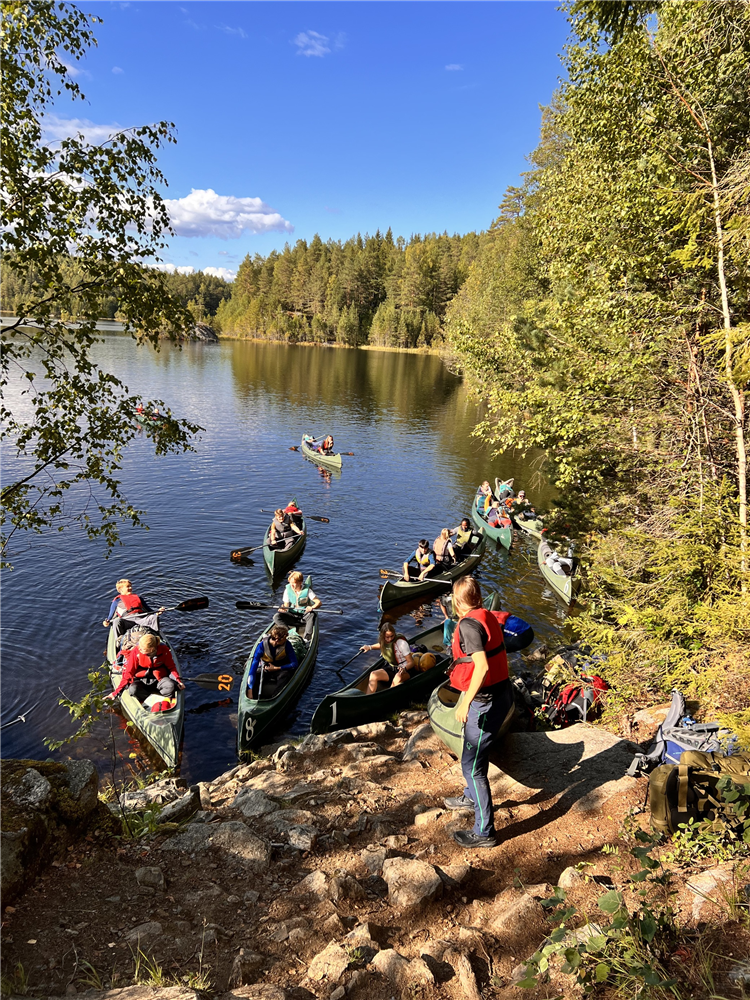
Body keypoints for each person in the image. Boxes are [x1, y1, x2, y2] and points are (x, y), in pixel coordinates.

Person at [443, 575, 515, 848]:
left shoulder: (469, 626)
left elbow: (482, 667)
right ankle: (470, 797)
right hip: (499, 694)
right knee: (474, 757)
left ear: (457, 601)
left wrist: (464, 702)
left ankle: (484, 832)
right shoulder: (485, 615)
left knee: (472, 766)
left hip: (486, 702)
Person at [105, 633, 184, 709]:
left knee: (171, 686)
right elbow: (129, 673)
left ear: (152, 649)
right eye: (139, 647)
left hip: (159, 679)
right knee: (133, 690)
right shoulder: (136, 651)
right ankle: (147, 699)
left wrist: (178, 680)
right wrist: (115, 693)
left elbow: (171, 667)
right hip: (142, 680)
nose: (139, 649)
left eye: (142, 649)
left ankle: (164, 700)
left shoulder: (164, 650)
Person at [361, 622, 416, 693]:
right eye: (387, 637)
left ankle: (386, 696)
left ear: (394, 633)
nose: (390, 639)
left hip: (406, 670)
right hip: (393, 668)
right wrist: (369, 647)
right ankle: (368, 698)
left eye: (392, 636)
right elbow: (381, 645)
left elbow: (411, 662)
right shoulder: (385, 641)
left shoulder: (401, 643)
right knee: (373, 674)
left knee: (397, 678)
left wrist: (404, 669)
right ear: (383, 636)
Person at [247, 624, 299, 699]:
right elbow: (254, 665)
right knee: (256, 673)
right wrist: (249, 690)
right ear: (278, 640)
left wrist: (276, 668)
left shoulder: (287, 645)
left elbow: (294, 664)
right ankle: (253, 696)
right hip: (266, 667)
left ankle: (275, 697)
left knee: (285, 675)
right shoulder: (262, 646)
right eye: (285, 638)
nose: (286, 639)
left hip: (280, 668)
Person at [274, 570, 321, 642]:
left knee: (311, 615)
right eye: (290, 583)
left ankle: (307, 639)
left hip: (303, 617)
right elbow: (286, 605)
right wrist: (283, 608)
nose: (291, 585)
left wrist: (312, 607)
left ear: (300, 582)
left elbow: (318, 602)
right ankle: (290, 634)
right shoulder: (287, 589)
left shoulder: (307, 591)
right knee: (277, 616)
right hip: (292, 616)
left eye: (294, 583)